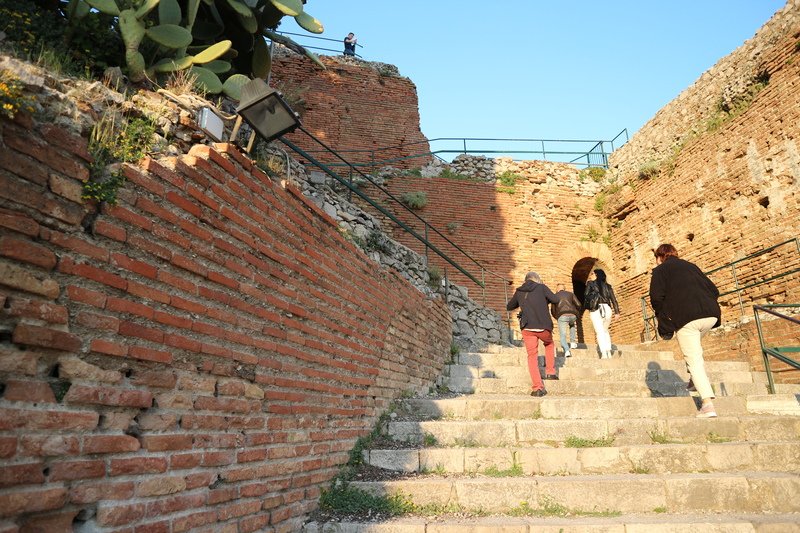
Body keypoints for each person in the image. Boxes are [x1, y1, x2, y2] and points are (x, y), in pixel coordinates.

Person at [649, 243, 721, 418]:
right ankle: (693, 380)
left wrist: (665, 315)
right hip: (710, 315)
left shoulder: (660, 271)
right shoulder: (691, 266)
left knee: (694, 359)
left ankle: (707, 404)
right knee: (694, 351)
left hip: (686, 319)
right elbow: (714, 289)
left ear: (659, 257)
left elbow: (656, 298)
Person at [507, 271, 560, 396]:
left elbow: (510, 306)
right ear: (537, 279)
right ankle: (551, 372)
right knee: (549, 344)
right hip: (543, 326)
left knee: (532, 356)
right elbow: (555, 299)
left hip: (528, 328)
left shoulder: (519, 291)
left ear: (526, 280)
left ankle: (537, 388)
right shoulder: (542, 287)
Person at [584, 268, 619, 359]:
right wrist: (617, 312)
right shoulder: (608, 286)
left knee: (599, 332)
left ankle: (603, 352)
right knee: (605, 330)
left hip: (596, 309)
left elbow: (586, 295)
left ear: (596, 275)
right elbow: (613, 299)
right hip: (607, 309)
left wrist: (588, 285)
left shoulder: (590, 284)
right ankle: (608, 351)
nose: (590, 275)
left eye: (592, 273)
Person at [550, 284, 581, 357]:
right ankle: (573, 342)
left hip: (562, 315)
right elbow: (579, 304)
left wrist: (557, 317)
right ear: (564, 288)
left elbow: (553, 310)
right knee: (572, 324)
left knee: (563, 335)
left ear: (557, 289)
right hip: (573, 315)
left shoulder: (555, 296)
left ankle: (567, 350)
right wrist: (576, 313)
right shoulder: (571, 294)